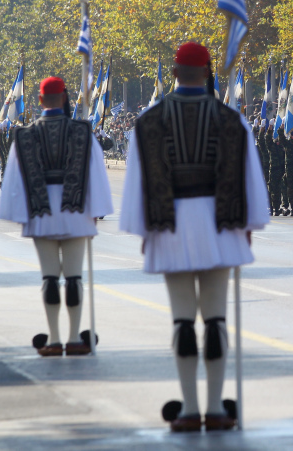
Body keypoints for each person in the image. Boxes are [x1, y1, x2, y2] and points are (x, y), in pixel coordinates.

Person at [120, 42, 269, 433]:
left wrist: (142, 229)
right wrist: (248, 226)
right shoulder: (230, 119)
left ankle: (188, 409)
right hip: (220, 223)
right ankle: (218, 408)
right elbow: (249, 176)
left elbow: (138, 182)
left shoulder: (149, 120)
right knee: (216, 319)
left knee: (182, 321)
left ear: (173, 73)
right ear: (207, 73)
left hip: (169, 225)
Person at [0, 76, 113, 356]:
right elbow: (96, 174)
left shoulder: (24, 135)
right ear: (64, 98)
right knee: (74, 278)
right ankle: (74, 338)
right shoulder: (82, 131)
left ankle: (53, 339)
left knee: (49, 278)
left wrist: (20, 214)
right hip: (76, 211)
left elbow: (14, 179)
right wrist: (96, 211)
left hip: (41, 212)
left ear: (39, 100)